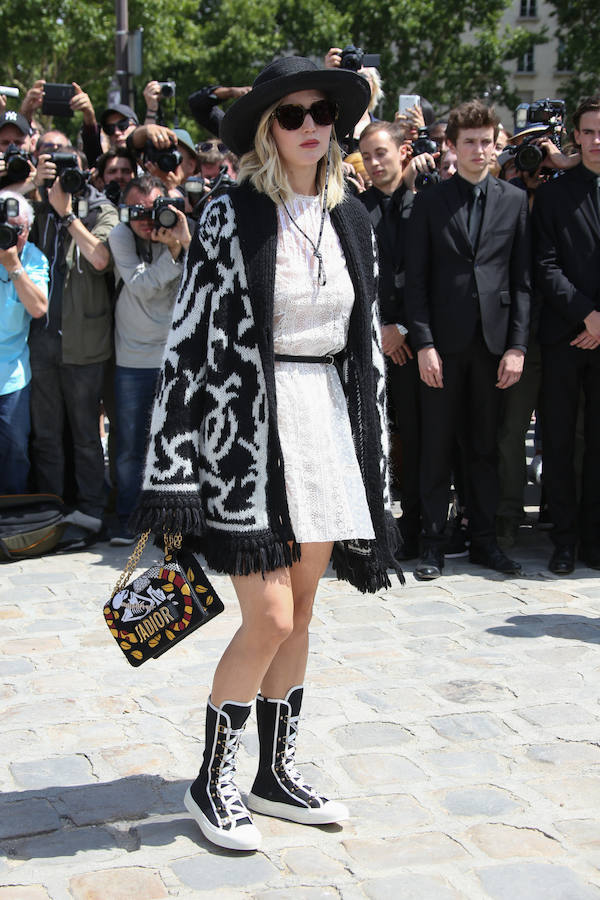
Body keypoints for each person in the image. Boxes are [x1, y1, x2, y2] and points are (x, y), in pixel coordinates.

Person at [131, 56, 402, 852]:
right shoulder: (231, 213)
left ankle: (273, 775)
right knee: (270, 614)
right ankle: (209, 780)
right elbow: (188, 344)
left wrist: (373, 447)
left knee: (304, 613)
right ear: (266, 127)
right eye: (291, 115)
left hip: (323, 423)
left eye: (323, 112)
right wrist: (175, 466)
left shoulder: (353, 217)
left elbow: (365, 351)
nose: (310, 125)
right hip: (245, 435)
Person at [405, 99, 531, 580]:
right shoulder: (431, 201)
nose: (480, 150)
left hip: (494, 346)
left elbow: (522, 282)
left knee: (484, 447)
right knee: (436, 445)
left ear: (497, 143)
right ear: (451, 147)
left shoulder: (515, 200)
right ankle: (434, 544)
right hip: (442, 345)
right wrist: (424, 344)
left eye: (486, 141)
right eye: (470, 142)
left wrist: (517, 346)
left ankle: (484, 541)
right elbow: (415, 280)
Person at [533, 94, 600, 574]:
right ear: (575, 136)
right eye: (590, 131)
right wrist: (585, 315)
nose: (598, 141)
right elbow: (545, 264)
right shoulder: (555, 194)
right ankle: (563, 538)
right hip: (563, 337)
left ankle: (594, 539)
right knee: (557, 440)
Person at [108, 174, 191, 545]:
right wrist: (172, 253)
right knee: (127, 444)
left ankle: (168, 519)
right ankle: (128, 516)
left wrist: (183, 240)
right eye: (136, 210)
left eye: (152, 209)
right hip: (132, 357)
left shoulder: (177, 229)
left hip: (174, 353)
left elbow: (200, 275)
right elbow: (140, 285)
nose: (145, 219)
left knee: (172, 442)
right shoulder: (120, 236)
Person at [358, 122, 420, 557]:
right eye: (367, 155)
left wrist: (403, 329)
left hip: (415, 343)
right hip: (370, 343)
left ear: (403, 152)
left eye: (382, 153)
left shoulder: (425, 204)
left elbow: (430, 276)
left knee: (417, 441)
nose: (375, 163)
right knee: (370, 440)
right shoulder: (353, 209)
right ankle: (371, 533)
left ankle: (417, 530)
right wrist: (380, 329)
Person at [0, 190, 48, 492]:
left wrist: (13, 267)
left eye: (16, 230)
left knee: (15, 454)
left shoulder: (33, 257)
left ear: (27, 230)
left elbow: (38, 308)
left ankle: (12, 526)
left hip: (11, 380)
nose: (9, 235)